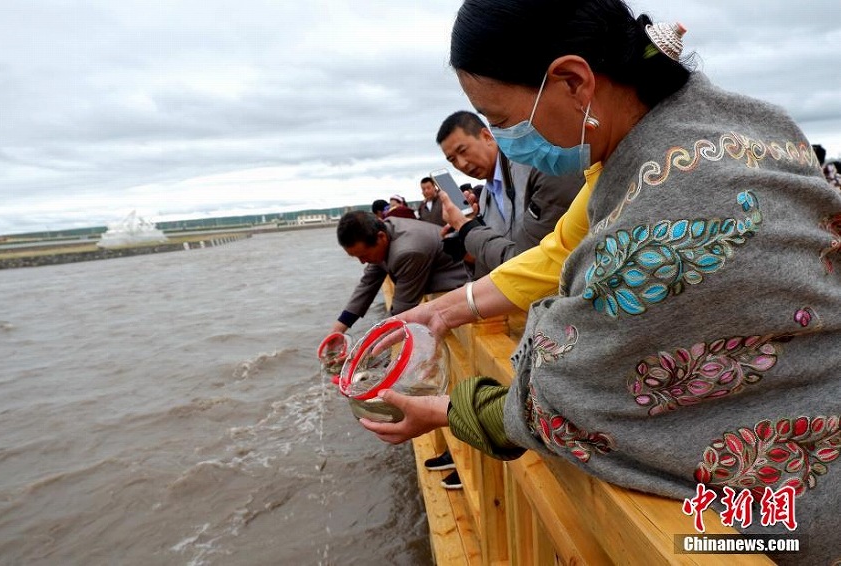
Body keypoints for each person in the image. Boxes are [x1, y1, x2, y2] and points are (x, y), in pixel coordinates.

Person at [358, 1, 841, 563]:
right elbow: (561, 251)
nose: (503, 138)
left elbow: (563, 393)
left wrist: (446, 409)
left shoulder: (659, 212)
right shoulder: (730, 125)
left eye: (500, 119)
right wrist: (441, 312)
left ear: (572, 81)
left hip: (799, 525)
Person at [436, 110, 585, 278]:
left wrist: (467, 229)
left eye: (463, 151)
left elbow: (529, 263)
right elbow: (496, 272)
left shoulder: (539, 166)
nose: (461, 164)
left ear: (486, 136)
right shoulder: (483, 202)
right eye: (452, 160)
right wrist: (467, 248)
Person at [331, 211, 468, 333]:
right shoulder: (385, 233)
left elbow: (401, 310)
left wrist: (365, 349)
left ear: (381, 237)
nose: (362, 261)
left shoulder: (407, 252)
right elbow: (367, 284)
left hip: (466, 283)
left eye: (363, 255)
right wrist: (338, 330)